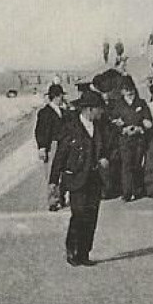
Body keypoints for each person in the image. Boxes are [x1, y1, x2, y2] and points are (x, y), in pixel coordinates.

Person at [51, 90, 115, 266]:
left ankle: (84, 253)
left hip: (95, 178)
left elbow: (111, 147)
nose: (101, 112)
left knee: (91, 216)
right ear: (89, 109)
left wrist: (106, 158)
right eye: (99, 109)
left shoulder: (102, 127)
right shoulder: (71, 128)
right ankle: (72, 250)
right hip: (76, 179)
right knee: (78, 215)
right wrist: (53, 181)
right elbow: (60, 156)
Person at [112, 76, 153, 202]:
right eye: (126, 90)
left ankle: (137, 189)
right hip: (125, 139)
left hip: (139, 139)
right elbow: (113, 122)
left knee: (136, 164)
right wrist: (123, 129)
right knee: (126, 165)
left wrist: (140, 127)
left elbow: (148, 121)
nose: (129, 93)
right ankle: (127, 192)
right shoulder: (118, 105)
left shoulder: (141, 103)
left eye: (131, 90)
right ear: (122, 91)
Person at [34, 83, 67, 212]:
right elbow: (40, 131)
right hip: (52, 145)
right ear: (57, 97)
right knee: (52, 174)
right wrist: (42, 147)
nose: (62, 99)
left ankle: (61, 198)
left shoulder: (63, 111)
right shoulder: (44, 112)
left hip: (64, 144)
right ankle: (52, 201)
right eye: (61, 96)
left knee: (64, 173)